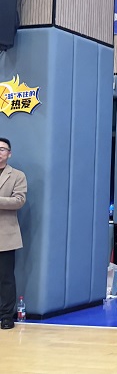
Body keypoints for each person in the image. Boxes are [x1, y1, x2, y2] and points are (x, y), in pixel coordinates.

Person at [0, 137, 27, 330]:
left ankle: (6, 316)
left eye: (2, 149)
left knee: (5, 278)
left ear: (9, 153)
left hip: (5, 235)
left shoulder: (17, 175)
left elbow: (19, 201)